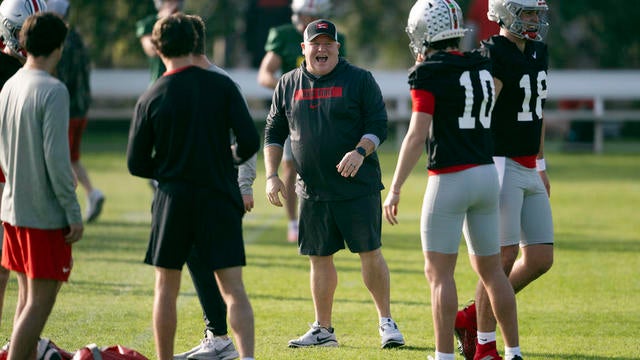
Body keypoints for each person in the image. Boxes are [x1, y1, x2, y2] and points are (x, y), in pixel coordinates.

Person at [383, 1, 523, 359]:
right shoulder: (480, 61)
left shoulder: (430, 71)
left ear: (423, 32)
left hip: (449, 177)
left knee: (440, 274)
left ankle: (444, 355)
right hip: (485, 174)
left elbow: (417, 134)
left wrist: (395, 186)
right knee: (493, 272)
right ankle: (513, 351)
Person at [264, 19, 405, 350]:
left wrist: (360, 152)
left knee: (370, 254)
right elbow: (273, 132)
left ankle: (386, 322)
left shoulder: (359, 79)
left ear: (338, 48)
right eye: (316, 43)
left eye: (328, 43)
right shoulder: (287, 83)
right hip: (312, 190)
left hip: (357, 186)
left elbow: (378, 125)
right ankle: (323, 329)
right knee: (319, 257)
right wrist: (271, 174)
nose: (322, 48)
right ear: (304, 49)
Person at [126, 13, 259, 360]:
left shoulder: (152, 96)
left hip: (173, 199)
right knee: (234, 289)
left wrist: (170, 168)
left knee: (165, 289)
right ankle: (247, 357)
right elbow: (248, 140)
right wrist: (224, 160)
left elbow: (136, 163)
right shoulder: (223, 85)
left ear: (158, 47)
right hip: (218, 194)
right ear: (196, 44)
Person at [454, 1, 553, 359]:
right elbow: (482, 111)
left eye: (534, 14)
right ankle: (484, 344)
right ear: (506, 12)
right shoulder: (492, 52)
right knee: (500, 259)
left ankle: (470, 313)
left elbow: (537, 112)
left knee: (541, 257)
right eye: (526, 13)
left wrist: (541, 165)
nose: (533, 20)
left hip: (528, 163)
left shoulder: (539, 51)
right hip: (500, 162)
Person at [172, 14, 257, 360]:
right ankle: (218, 337)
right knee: (197, 259)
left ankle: (228, 343)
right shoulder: (185, 81)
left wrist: (244, 183)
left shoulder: (221, 83)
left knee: (225, 274)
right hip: (195, 193)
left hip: (219, 192)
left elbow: (246, 136)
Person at [0, 11, 84, 360]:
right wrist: (73, 211)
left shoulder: (10, 84)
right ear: (59, 46)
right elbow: (57, 161)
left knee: (25, 298)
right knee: (39, 302)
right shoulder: (53, 90)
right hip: (42, 215)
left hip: (12, 209)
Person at [257, 0, 346, 243]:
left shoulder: (334, 38)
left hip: (326, 109)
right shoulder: (284, 36)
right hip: (293, 112)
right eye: (307, 16)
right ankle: (294, 222)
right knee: (290, 166)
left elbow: (343, 72)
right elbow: (265, 74)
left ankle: (332, 215)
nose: (309, 21)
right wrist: (294, 90)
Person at [0, 0, 47, 334]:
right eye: (24, 31)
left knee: (13, 269)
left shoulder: (33, 69)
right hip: (5, 176)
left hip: (15, 177)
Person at [48, 0, 105, 223]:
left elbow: (61, 76)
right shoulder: (77, 37)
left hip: (68, 108)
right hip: (81, 107)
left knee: (63, 157)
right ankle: (92, 193)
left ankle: (77, 200)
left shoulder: (61, 41)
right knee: (72, 157)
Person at [135, 0, 184, 85]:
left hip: (182, 82)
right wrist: (165, 22)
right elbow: (151, 49)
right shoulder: (149, 23)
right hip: (160, 81)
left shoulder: (184, 23)